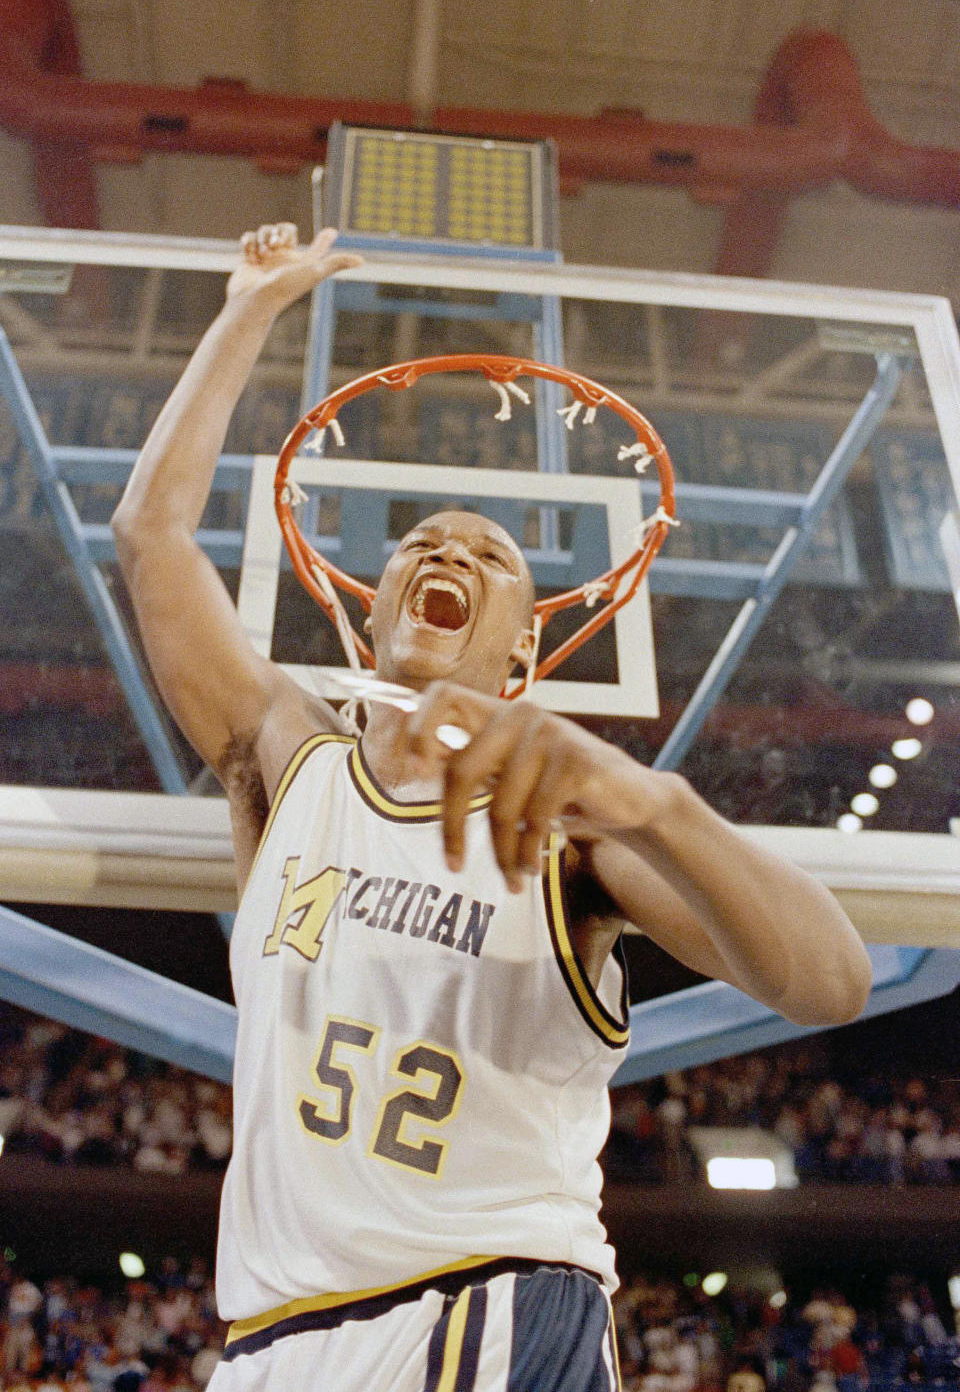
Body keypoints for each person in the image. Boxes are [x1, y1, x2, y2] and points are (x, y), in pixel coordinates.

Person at [111, 223, 873, 1392]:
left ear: (521, 654)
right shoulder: (288, 760)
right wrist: (248, 311)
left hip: (487, 1304)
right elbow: (151, 538)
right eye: (418, 542)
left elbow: (834, 978)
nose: (443, 550)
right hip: (270, 1340)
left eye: (485, 551)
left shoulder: (573, 838)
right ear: (368, 618)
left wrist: (659, 805)